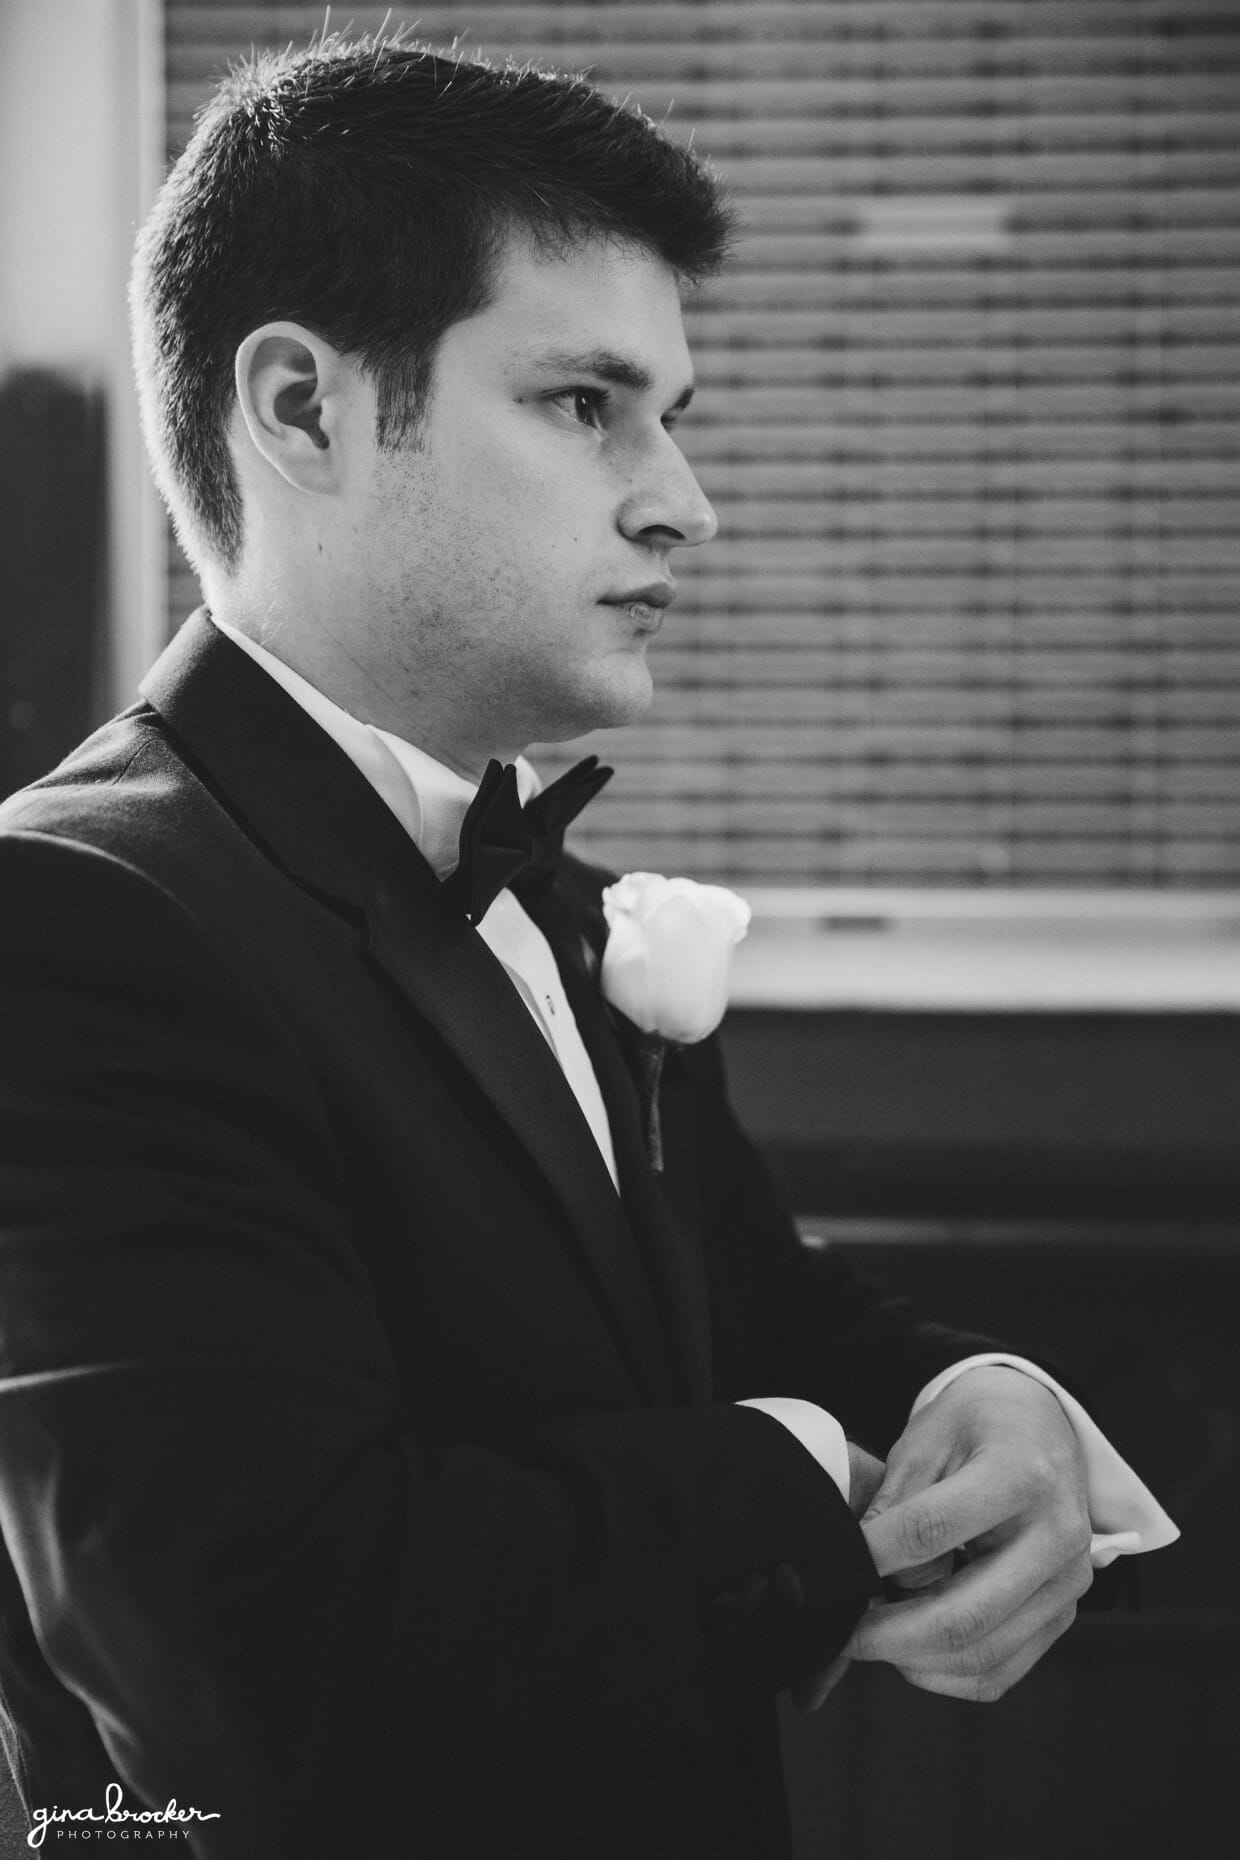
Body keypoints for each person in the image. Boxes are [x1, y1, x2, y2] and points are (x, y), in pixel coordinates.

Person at [0, 33, 1176, 1860]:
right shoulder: (70, 920)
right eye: (580, 403)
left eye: (673, 415)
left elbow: (742, 1301)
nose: (680, 501)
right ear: (301, 409)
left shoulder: (547, 885)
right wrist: (804, 1476)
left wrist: (975, 1397)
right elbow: (256, 1661)